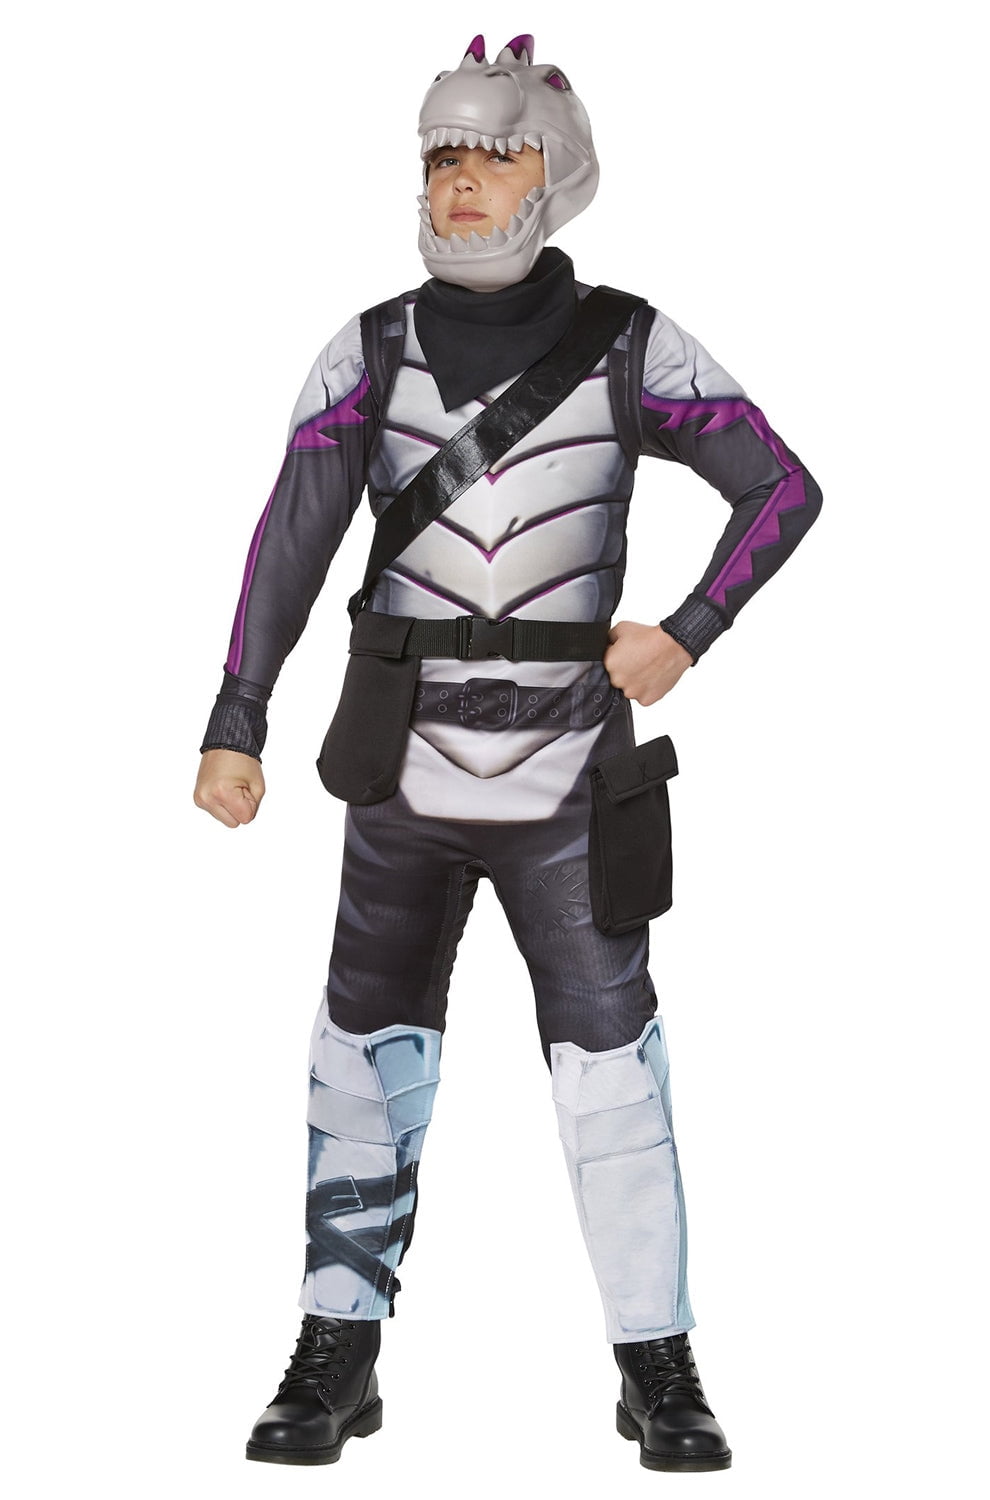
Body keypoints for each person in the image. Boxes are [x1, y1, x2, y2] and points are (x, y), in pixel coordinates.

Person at [194, 34, 821, 1474]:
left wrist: (687, 633)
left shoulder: (634, 343)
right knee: (360, 1057)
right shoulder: (366, 350)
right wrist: (238, 718)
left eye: (494, 153)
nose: (463, 182)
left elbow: (781, 489)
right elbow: (290, 541)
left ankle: (656, 1363)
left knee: (613, 1070)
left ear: (556, 172)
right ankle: (337, 1348)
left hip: (568, 771)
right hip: (399, 765)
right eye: (442, 157)